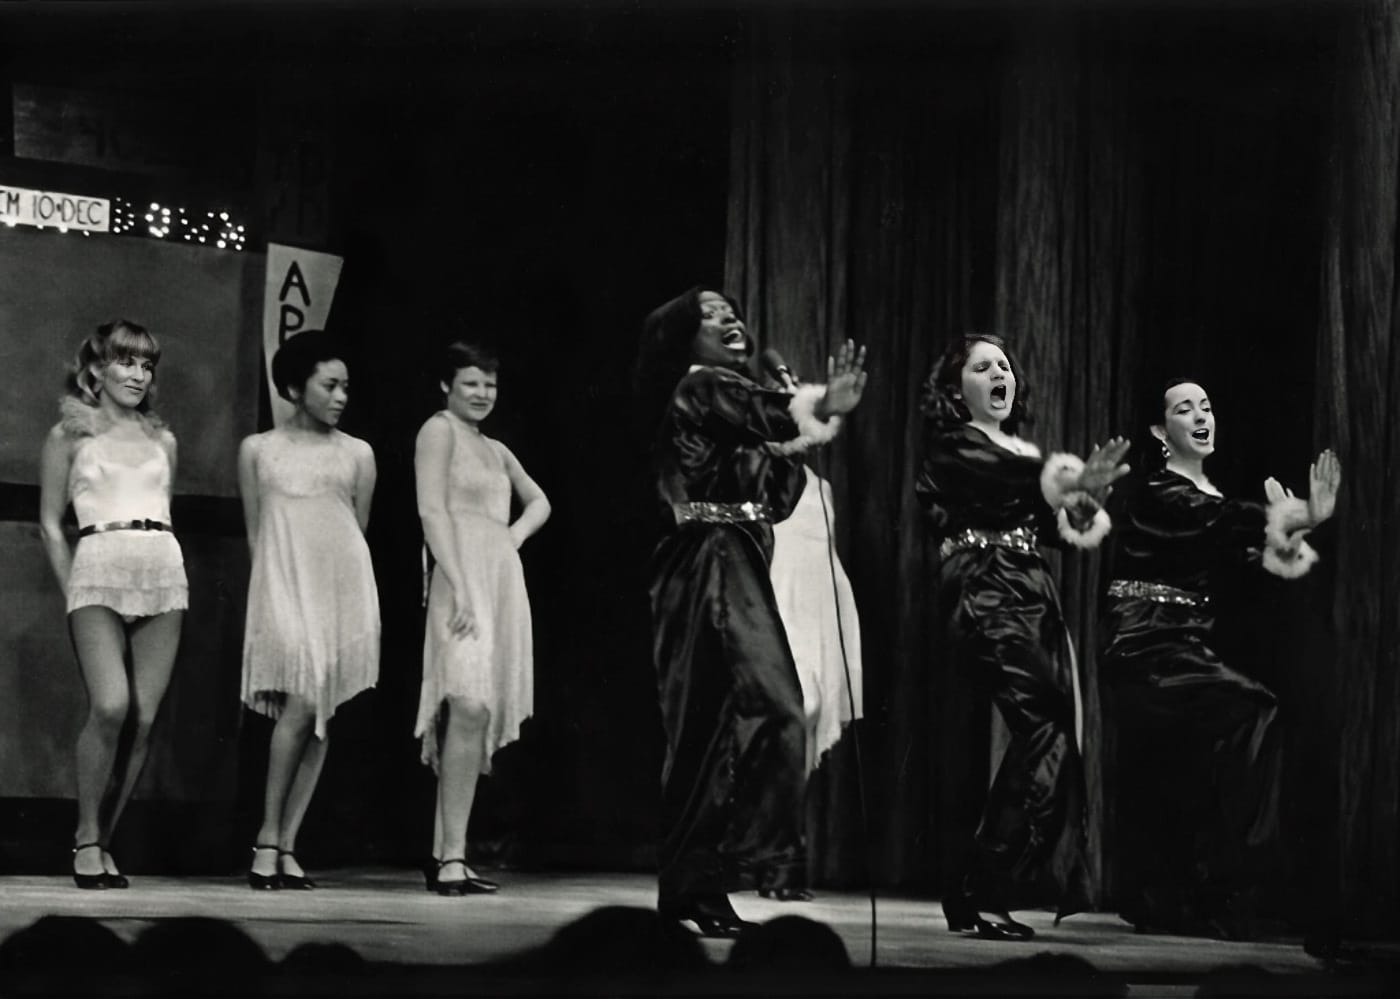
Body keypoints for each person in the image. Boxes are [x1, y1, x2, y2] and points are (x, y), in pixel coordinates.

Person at [634, 285, 868, 938]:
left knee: (707, 736)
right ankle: (748, 864)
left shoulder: (720, 414)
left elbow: (782, 493)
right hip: (709, 560)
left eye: (733, 312)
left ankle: (691, 886)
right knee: (772, 703)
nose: (730, 320)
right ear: (688, 338)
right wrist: (814, 405)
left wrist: (790, 438)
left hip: (718, 559)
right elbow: (763, 413)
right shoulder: (700, 384)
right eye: (712, 316)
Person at [1100, 377, 1341, 939]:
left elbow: (1247, 549)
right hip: (1144, 643)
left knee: (1197, 757)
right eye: (1184, 409)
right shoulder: (1157, 488)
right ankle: (1236, 886)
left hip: (1181, 646)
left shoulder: (1207, 496)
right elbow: (1224, 519)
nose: (1200, 415)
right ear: (1162, 431)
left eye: (1206, 405)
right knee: (1252, 710)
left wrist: (1283, 539)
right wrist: (1299, 515)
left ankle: (1178, 894)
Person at [915, 333, 1129, 940]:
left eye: (1004, 366)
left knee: (1055, 729)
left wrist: (1081, 508)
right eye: (983, 367)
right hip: (985, 588)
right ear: (957, 390)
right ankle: (982, 886)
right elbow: (1005, 478)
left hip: (1031, 591)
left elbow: (1053, 529)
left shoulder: (1020, 452)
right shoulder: (955, 445)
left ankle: (980, 886)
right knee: (1046, 724)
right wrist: (1065, 479)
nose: (999, 374)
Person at [38, 319, 188, 890]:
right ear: (98, 368)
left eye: (147, 365)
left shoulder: (162, 439)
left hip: (162, 571)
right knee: (110, 707)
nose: (138, 375)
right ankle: (84, 833)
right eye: (127, 362)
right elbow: (52, 524)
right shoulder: (69, 435)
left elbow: (161, 503)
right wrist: (72, 586)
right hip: (97, 567)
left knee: (144, 719)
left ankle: (105, 841)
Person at [238, 330, 380, 891]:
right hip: (280, 587)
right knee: (300, 705)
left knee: (320, 718)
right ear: (297, 387)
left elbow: (356, 530)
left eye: (346, 385)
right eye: (330, 384)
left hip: (341, 591)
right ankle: (267, 837)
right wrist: (272, 595)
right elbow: (256, 534)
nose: (341, 395)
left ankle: (286, 843)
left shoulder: (358, 453)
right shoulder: (258, 450)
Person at [413, 342, 550, 896]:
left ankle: (449, 854)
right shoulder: (438, 430)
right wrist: (461, 579)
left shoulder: (495, 449)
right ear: (447, 385)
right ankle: (448, 856)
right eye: (471, 383)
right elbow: (430, 510)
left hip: (496, 580)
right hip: (458, 575)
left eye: (490, 385)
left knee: (474, 712)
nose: (482, 393)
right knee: (465, 704)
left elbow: (539, 501)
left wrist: (508, 541)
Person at [769, 464, 864, 777]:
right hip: (766, 621)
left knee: (810, 706)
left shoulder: (819, 490)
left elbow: (829, 579)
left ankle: (793, 820)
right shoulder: (748, 481)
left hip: (806, 623)